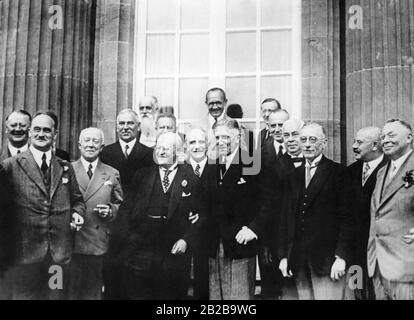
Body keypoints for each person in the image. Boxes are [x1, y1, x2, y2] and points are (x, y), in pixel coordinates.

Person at [0, 111, 85, 300]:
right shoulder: (10, 166)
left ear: (55, 135)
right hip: (24, 254)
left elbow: (77, 200)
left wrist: (78, 213)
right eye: (37, 129)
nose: (41, 134)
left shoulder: (64, 166)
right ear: (30, 132)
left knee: (56, 296)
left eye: (47, 130)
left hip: (58, 254)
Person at [110, 132, 206, 300]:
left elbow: (202, 215)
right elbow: (126, 210)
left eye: (166, 149)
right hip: (142, 251)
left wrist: (186, 240)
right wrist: (130, 240)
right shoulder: (142, 175)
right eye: (158, 148)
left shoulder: (191, 178)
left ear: (177, 151)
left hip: (174, 252)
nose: (161, 152)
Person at [278, 123, 352, 300]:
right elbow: (286, 220)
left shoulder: (339, 173)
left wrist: (341, 257)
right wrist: (284, 256)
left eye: (313, 139)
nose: (308, 144)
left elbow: (348, 219)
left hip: (327, 261)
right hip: (297, 260)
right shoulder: (292, 176)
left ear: (324, 143)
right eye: (303, 139)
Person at [68, 128, 124, 300]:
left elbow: (121, 204)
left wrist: (111, 211)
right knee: (69, 291)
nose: (90, 145)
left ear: (102, 147)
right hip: (71, 241)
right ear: (79, 145)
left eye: (95, 141)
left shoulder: (112, 173)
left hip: (98, 242)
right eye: (87, 140)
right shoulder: (66, 169)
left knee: (93, 293)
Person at [207, 120, 259, 300]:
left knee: (240, 298)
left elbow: (268, 202)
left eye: (226, 137)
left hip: (240, 244)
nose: (220, 141)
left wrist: (253, 228)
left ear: (237, 137)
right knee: (216, 298)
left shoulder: (252, 163)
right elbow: (203, 199)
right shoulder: (212, 165)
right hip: (214, 244)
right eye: (217, 137)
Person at [368, 119, 414, 300]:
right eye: (383, 136)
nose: (385, 140)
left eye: (391, 135)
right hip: (378, 263)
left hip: (407, 264)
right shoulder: (381, 172)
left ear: (409, 138)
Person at [345, 127, 386, 300]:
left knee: (380, 293)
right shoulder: (349, 172)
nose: (354, 146)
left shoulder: (391, 170)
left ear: (375, 145)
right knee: (357, 291)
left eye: (359, 142)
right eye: (354, 141)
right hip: (354, 251)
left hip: (381, 251)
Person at [184, 128, 217, 300]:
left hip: (208, 234)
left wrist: (203, 217)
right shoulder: (180, 168)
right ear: (185, 146)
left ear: (208, 145)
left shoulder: (217, 167)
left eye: (201, 142)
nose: (197, 147)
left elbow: (222, 203)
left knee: (205, 281)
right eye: (192, 142)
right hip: (183, 233)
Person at [100, 109, 154, 195]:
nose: (125, 127)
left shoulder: (149, 154)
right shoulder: (105, 153)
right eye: (121, 123)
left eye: (130, 123)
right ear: (117, 127)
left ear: (139, 126)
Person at [1, 110, 70, 161]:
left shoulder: (43, 155)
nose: (18, 129)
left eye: (23, 125)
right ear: (6, 129)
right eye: (13, 125)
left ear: (30, 129)